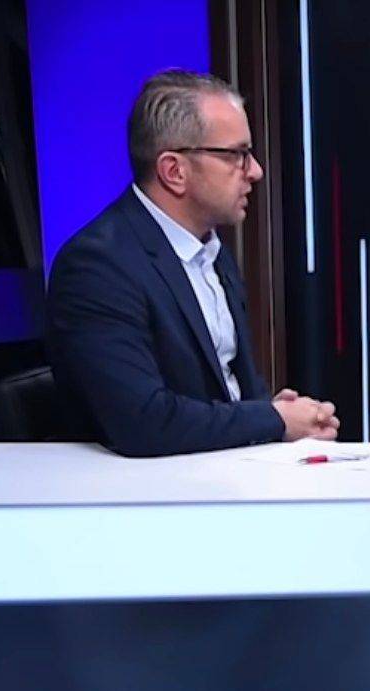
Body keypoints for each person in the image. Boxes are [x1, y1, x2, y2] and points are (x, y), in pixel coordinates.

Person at [47, 70, 340, 457]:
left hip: (222, 470)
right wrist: (272, 419)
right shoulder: (97, 267)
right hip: (148, 488)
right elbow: (144, 423)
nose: (255, 171)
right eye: (236, 155)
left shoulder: (214, 252)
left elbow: (228, 389)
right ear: (174, 171)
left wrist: (276, 414)